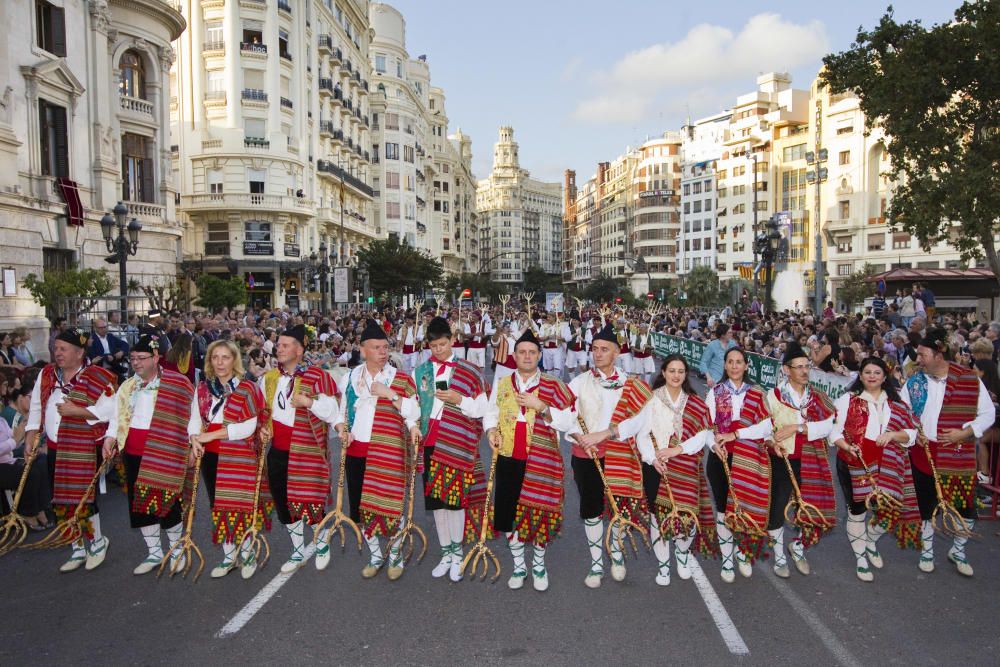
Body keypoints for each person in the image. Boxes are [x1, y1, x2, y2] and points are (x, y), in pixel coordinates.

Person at [484, 327, 575, 592]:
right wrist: (491, 431)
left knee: (538, 512)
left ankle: (538, 564)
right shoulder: (502, 383)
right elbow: (491, 412)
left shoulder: (553, 385)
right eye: (522, 352)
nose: (527, 356)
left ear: (539, 355)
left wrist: (542, 407)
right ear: (514, 355)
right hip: (509, 456)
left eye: (532, 352)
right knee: (510, 513)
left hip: (541, 458)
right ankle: (518, 565)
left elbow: (568, 420)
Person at [563, 324, 652, 588]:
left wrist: (606, 434)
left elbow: (638, 421)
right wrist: (580, 437)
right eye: (595, 349)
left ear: (616, 354)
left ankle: (616, 555)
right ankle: (596, 562)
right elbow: (567, 416)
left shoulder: (630, 384)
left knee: (619, 508)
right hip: (585, 453)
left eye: (604, 349)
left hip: (620, 452)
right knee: (591, 510)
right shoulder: (579, 382)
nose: (598, 354)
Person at [900, 328, 994, 576]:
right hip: (924, 453)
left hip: (957, 454)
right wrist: (912, 432)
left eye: (922, 354)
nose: (918, 359)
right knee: (926, 506)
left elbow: (988, 414)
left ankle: (959, 550)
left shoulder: (969, 379)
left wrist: (965, 433)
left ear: (939, 353)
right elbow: (901, 413)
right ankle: (927, 551)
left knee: (965, 507)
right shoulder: (915, 381)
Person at [97, 335, 193, 576]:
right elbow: (117, 418)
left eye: (141, 358)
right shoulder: (127, 386)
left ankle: (175, 550)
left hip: (166, 452)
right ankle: (153, 552)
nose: (136, 363)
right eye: (132, 359)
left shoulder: (178, 383)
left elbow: (193, 415)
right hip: (133, 452)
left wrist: (193, 443)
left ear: (156, 358)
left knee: (167, 502)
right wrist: (109, 438)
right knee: (140, 505)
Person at [25, 328, 117, 572]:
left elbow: (111, 411)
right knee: (61, 500)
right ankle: (76, 547)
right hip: (54, 446)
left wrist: (78, 411)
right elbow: (36, 407)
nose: (58, 353)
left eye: (63, 349)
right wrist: (30, 435)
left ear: (79, 353)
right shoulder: (46, 374)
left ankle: (97, 543)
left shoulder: (97, 376)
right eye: (56, 348)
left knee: (84, 497)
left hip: (83, 446)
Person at [334, 320, 420, 581]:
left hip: (387, 450)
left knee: (390, 505)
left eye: (385, 347)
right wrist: (341, 429)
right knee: (362, 508)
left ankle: (395, 555)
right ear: (362, 350)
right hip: (357, 450)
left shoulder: (400, 378)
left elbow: (414, 412)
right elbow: (341, 413)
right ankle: (375, 555)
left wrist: (390, 395)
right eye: (376, 347)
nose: (383, 352)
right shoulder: (349, 378)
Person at [258, 324, 341, 573]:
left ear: (299, 349)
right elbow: (264, 411)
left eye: (284, 345)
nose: (279, 349)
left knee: (309, 499)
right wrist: (263, 427)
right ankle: (297, 549)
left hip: (307, 448)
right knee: (283, 501)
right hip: (278, 449)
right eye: (278, 345)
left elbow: (333, 410)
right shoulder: (270, 378)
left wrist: (308, 402)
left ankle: (320, 540)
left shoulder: (318, 376)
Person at [829, 357, 920, 581]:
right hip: (853, 461)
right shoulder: (847, 400)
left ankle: (870, 540)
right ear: (860, 375)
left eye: (877, 372)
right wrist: (847, 446)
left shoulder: (897, 404)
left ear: (884, 376)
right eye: (867, 372)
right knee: (857, 510)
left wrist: (892, 435)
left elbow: (912, 433)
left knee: (889, 510)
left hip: (888, 463)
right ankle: (861, 557)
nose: (872, 376)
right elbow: (833, 432)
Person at [413, 316, 489, 583]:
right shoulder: (421, 371)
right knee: (437, 504)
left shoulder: (469, 370)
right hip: (430, 443)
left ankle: (458, 554)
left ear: (453, 341)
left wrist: (459, 400)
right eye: (434, 346)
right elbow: (414, 406)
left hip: (456, 442)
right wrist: (412, 424)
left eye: (443, 345)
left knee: (455, 503)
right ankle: (446, 553)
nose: (438, 350)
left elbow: (483, 408)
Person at [189, 339, 270, 579]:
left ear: (235, 360)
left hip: (239, 454)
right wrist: (194, 438)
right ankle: (229, 555)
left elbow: (247, 428)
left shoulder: (248, 387)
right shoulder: (203, 388)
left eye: (225, 357)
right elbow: (195, 417)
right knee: (218, 505)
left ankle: (248, 553)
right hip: (211, 454)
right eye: (215, 357)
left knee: (241, 504)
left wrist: (208, 435)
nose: (220, 362)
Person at [634, 354, 714, 586]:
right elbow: (642, 435)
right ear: (664, 372)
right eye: (672, 370)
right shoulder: (651, 400)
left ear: (685, 374)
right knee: (658, 518)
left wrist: (676, 450)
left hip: (685, 464)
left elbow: (701, 436)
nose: (676, 375)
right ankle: (663, 564)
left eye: (680, 371)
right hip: (655, 466)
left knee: (686, 515)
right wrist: (652, 459)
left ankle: (681, 554)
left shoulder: (695, 402)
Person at [760, 342, 837, 578]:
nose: (805, 371)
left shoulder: (817, 397)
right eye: (799, 367)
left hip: (812, 459)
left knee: (813, 505)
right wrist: (773, 442)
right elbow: (763, 430)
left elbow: (827, 425)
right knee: (778, 507)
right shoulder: (772, 397)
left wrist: (798, 427)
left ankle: (799, 546)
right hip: (781, 460)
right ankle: (780, 557)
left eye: (807, 366)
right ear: (786, 370)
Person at [706, 348, 773, 583]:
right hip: (721, 458)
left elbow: (767, 427)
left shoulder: (756, 393)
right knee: (724, 512)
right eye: (730, 362)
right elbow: (707, 428)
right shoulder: (715, 392)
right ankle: (726, 558)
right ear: (725, 366)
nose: (735, 366)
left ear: (746, 366)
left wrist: (736, 434)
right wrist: (715, 445)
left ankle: (743, 552)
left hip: (750, 459)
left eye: (739, 362)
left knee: (746, 508)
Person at [0, 382, 50, 532]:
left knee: (40, 462)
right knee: (31, 472)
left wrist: (17, 437)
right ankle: (28, 512)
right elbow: (13, 441)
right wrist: (14, 440)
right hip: (3, 464)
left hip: (7, 460)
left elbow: (12, 436)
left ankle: (41, 508)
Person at [87, 318, 129, 383]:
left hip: (113, 366)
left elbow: (125, 345)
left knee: (124, 383)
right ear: (95, 328)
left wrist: (122, 352)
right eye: (101, 328)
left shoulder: (110, 336)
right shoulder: (91, 340)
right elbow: (92, 357)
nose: (104, 329)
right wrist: (106, 357)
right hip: (100, 368)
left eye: (105, 327)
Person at [563, 313, 590, 379]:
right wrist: (575, 334)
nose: (574, 322)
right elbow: (566, 339)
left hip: (582, 351)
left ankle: (581, 380)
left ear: (579, 321)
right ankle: (573, 381)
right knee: (571, 368)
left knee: (583, 367)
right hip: (571, 350)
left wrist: (583, 340)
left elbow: (588, 341)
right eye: (573, 320)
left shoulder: (584, 329)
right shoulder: (568, 329)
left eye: (575, 320)